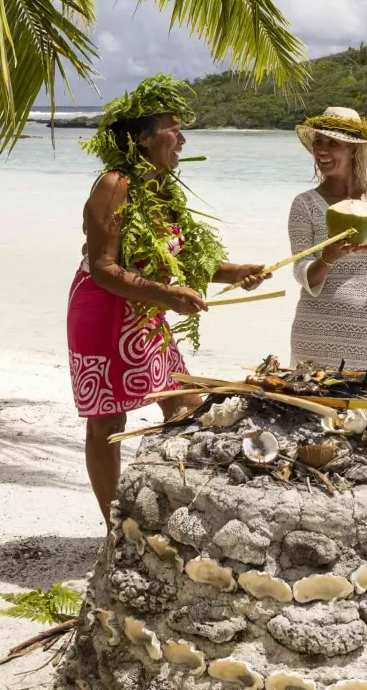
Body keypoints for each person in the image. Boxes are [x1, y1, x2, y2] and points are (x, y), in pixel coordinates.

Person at [67, 74, 268, 527]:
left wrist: (232, 273)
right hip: (102, 310)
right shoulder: (115, 185)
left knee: (184, 403)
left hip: (144, 311)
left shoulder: (163, 190)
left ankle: (168, 510)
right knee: (107, 421)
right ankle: (112, 526)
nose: (182, 138)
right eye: (173, 128)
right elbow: (103, 265)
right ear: (142, 137)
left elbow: (179, 262)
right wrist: (166, 295)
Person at [286, 107, 367, 367]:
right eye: (318, 142)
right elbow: (302, 273)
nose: (322, 150)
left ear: (354, 150)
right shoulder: (304, 204)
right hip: (316, 335)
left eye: (333, 144)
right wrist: (328, 258)